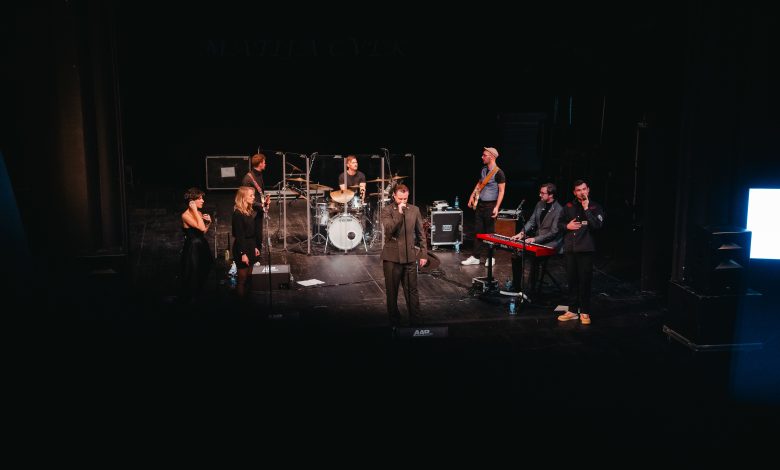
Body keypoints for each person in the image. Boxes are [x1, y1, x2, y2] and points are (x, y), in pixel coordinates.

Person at [556, 179, 605, 325]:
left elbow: (597, 225)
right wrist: (567, 226)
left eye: (584, 189)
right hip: (570, 249)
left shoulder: (595, 207)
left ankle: (584, 311)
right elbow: (559, 224)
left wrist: (586, 209)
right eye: (578, 190)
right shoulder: (568, 206)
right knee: (572, 280)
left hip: (585, 249)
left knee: (585, 281)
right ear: (574, 192)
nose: (582, 192)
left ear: (588, 190)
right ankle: (572, 310)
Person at [380, 184, 427, 327]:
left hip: (409, 257)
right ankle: (394, 322)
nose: (403, 201)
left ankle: (416, 320)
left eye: (405, 199)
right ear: (394, 196)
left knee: (412, 290)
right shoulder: (387, 210)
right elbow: (389, 230)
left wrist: (423, 253)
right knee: (392, 292)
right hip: (392, 258)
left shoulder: (414, 210)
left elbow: (421, 234)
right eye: (400, 198)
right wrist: (399, 213)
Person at [510, 182, 563, 294]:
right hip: (538, 239)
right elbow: (531, 221)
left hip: (551, 242)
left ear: (551, 195)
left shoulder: (559, 210)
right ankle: (516, 287)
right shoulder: (540, 204)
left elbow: (553, 233)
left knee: (535, 259)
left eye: (543, 193)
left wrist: (534, 239)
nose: (540, 195)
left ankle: (531, 291)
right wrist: (521, 233)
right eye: (540, 192)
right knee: (516, 254)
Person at [461, 147, 506, 267]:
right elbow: (480, 183)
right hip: (480, 204)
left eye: (484, 155)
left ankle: (491, 257)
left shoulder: (499, 173)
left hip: (491, 205)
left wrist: (497, 207)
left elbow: (501, 191)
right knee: (478, 231)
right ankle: (476, 257)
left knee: (490, 233)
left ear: (491, 157)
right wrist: (472, 196)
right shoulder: (483, 169)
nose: (482, 157)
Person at [179, 187, 213, 303]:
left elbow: (202, 232)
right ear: (192, 202)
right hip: (192, 248)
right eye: (200, 198)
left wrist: (209, 223)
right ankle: (191, 300)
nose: (203, 200)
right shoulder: (185, 215)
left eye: (202, 198)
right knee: (193, 273)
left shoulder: (198, 212)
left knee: (204, 270)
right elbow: (201, 228)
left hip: (201, 244)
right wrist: (194, 211)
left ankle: (199, 296)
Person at [231, 186, 262, 298]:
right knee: (242, 279)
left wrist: (255, 247)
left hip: (250, 245)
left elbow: (251, 232)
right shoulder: (238, 214)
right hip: (242, 248)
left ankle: (248, 300)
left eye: (253, 195)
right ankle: (240, 303)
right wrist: (243, 254)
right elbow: (240, 236)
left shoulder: (248, 211)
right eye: (251, 195)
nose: (254, 197)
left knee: (249, 277)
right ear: (243, 198)